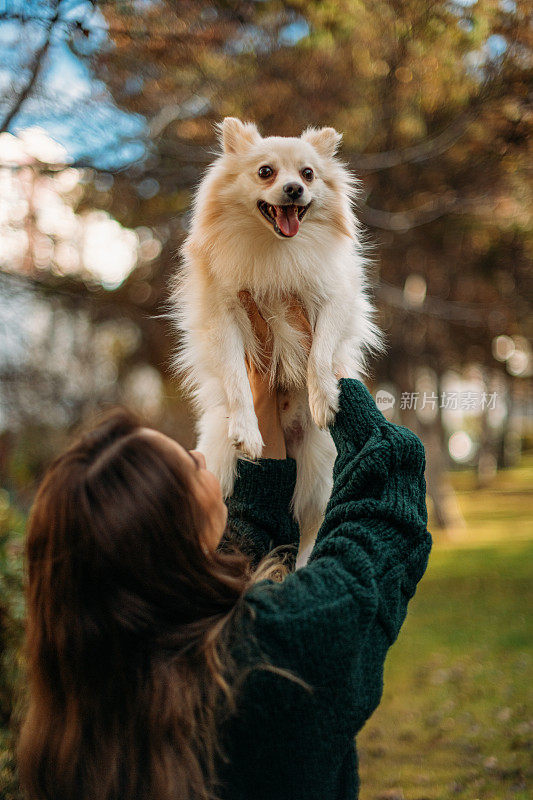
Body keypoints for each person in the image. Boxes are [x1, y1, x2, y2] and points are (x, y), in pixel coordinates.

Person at [18, 292, 432, 800]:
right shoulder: (276, 654)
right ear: (169, 539)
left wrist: (260, 407)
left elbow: (236, 562)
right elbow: (380, 532)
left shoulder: (80, 713)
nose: (201, 455)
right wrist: (330, 373)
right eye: (190, 466)